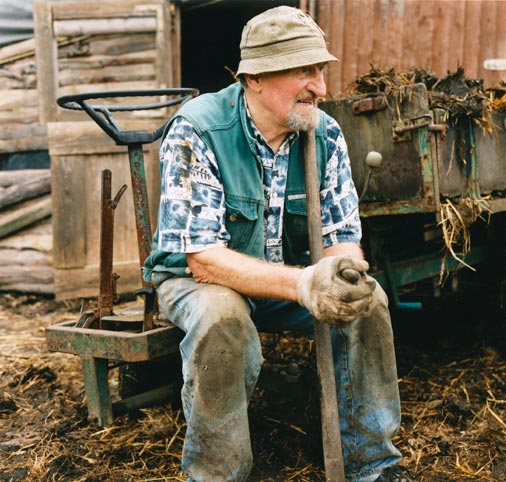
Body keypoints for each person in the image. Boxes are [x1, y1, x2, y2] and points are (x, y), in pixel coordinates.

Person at [143, 6, 410, 482]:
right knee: (221, 318)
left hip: (289, 280)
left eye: (321, 71)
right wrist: (305, 283)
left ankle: (371, 465)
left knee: (367, 302)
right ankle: (217, 473)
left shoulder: (322, 132)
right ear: (256, 78)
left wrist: (342, 273)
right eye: (304, 71)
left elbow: (341, 236)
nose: (321, 87)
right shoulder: (198, 129)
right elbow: (204, 261)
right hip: (199, 280)